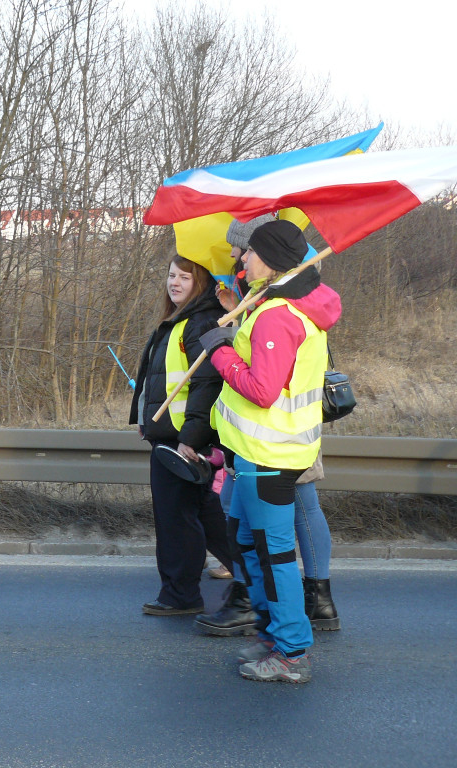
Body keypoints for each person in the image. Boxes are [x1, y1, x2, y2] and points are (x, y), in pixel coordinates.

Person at [199, 219, 341, 684]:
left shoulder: (279, 314)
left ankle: (291, 652)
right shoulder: (277, 303)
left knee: (273, 554)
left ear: (272, 259)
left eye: (250, 252)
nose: (243, 258)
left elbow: (262, 390)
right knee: (245, 542)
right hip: (254, 452)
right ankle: (274, 634)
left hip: (271, 455)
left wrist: (221, 351)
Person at [129, 255, 233, 616]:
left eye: (184, 277)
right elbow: (157, 380)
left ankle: (181, 595)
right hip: (171, 435)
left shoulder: (199, 321)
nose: (174, 282)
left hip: (181, 441)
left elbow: (207, 385)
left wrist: (190, 438)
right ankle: (256, 578)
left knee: (176, 519)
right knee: (205, 513)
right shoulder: (177, 321)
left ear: (200, 282)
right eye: (171, 275)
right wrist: (144, 417)